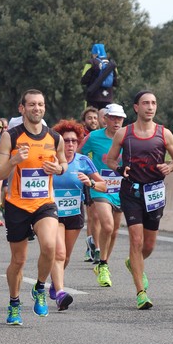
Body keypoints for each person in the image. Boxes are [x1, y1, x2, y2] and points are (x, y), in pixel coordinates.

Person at [0, 89, 67, 326]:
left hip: (44, 202)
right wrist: (14, 160)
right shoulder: (11, 136)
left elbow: (63, 162)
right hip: (16, 204)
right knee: (18, 261)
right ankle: (14, 303)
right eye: (32, 104)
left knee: (50, 245)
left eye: (41, 104)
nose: (37, 108)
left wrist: (60, 169)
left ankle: (40, 287)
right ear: (22, 108)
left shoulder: (55, 138)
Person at [107, 90, 173, 309]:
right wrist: (120, 168)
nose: (150, 107)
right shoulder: (124, 133)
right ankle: (141, 292)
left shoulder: (164, 133)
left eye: (153, 103)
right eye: (145, 103)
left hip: (155, 193)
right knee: (136, 240)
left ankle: (134, 263)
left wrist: (169, 166)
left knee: (148, 246)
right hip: (131, 192)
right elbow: (111, 160)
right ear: (136, 107)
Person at [50, 120, 106, 310]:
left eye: (74, 141)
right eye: (66, 141)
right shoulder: (51, 160)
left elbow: (104, 186)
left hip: (74, 213)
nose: (71, 144)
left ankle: (53, 283)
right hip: (52, 213)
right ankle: (60, 293)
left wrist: (90, 182)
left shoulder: (83, 161)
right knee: (59, 253)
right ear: (58, 142)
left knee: (65, 258)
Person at [79, 103, 125, 287]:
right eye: (113, 117)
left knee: (114, 231)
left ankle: (104, 262)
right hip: (100, 187)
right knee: (107, 225)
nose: (116, 121)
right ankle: (102, 262)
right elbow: (78, 154)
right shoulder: (94, 137)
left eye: (120, 118)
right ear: (104, 119)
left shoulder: (127, 137)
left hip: (121, 189)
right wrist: (89, 172)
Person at [80, 106, 100, 262]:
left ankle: (94, 244)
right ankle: (92, 248)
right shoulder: (82, 137)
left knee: (98, 217)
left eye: (95, 118)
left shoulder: (102, 136)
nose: (93, 121)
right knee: (93, 216)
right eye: (89, 118)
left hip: (104, 180)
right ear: (84, 121)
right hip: (88, 180)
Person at [81, 44, 118, 110]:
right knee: (105, 118)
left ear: (94, 54)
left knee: (92, 117)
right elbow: (116, 82)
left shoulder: (91, 62)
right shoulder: (112, 64)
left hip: (93, 97)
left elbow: (84, 80)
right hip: (108, 98)